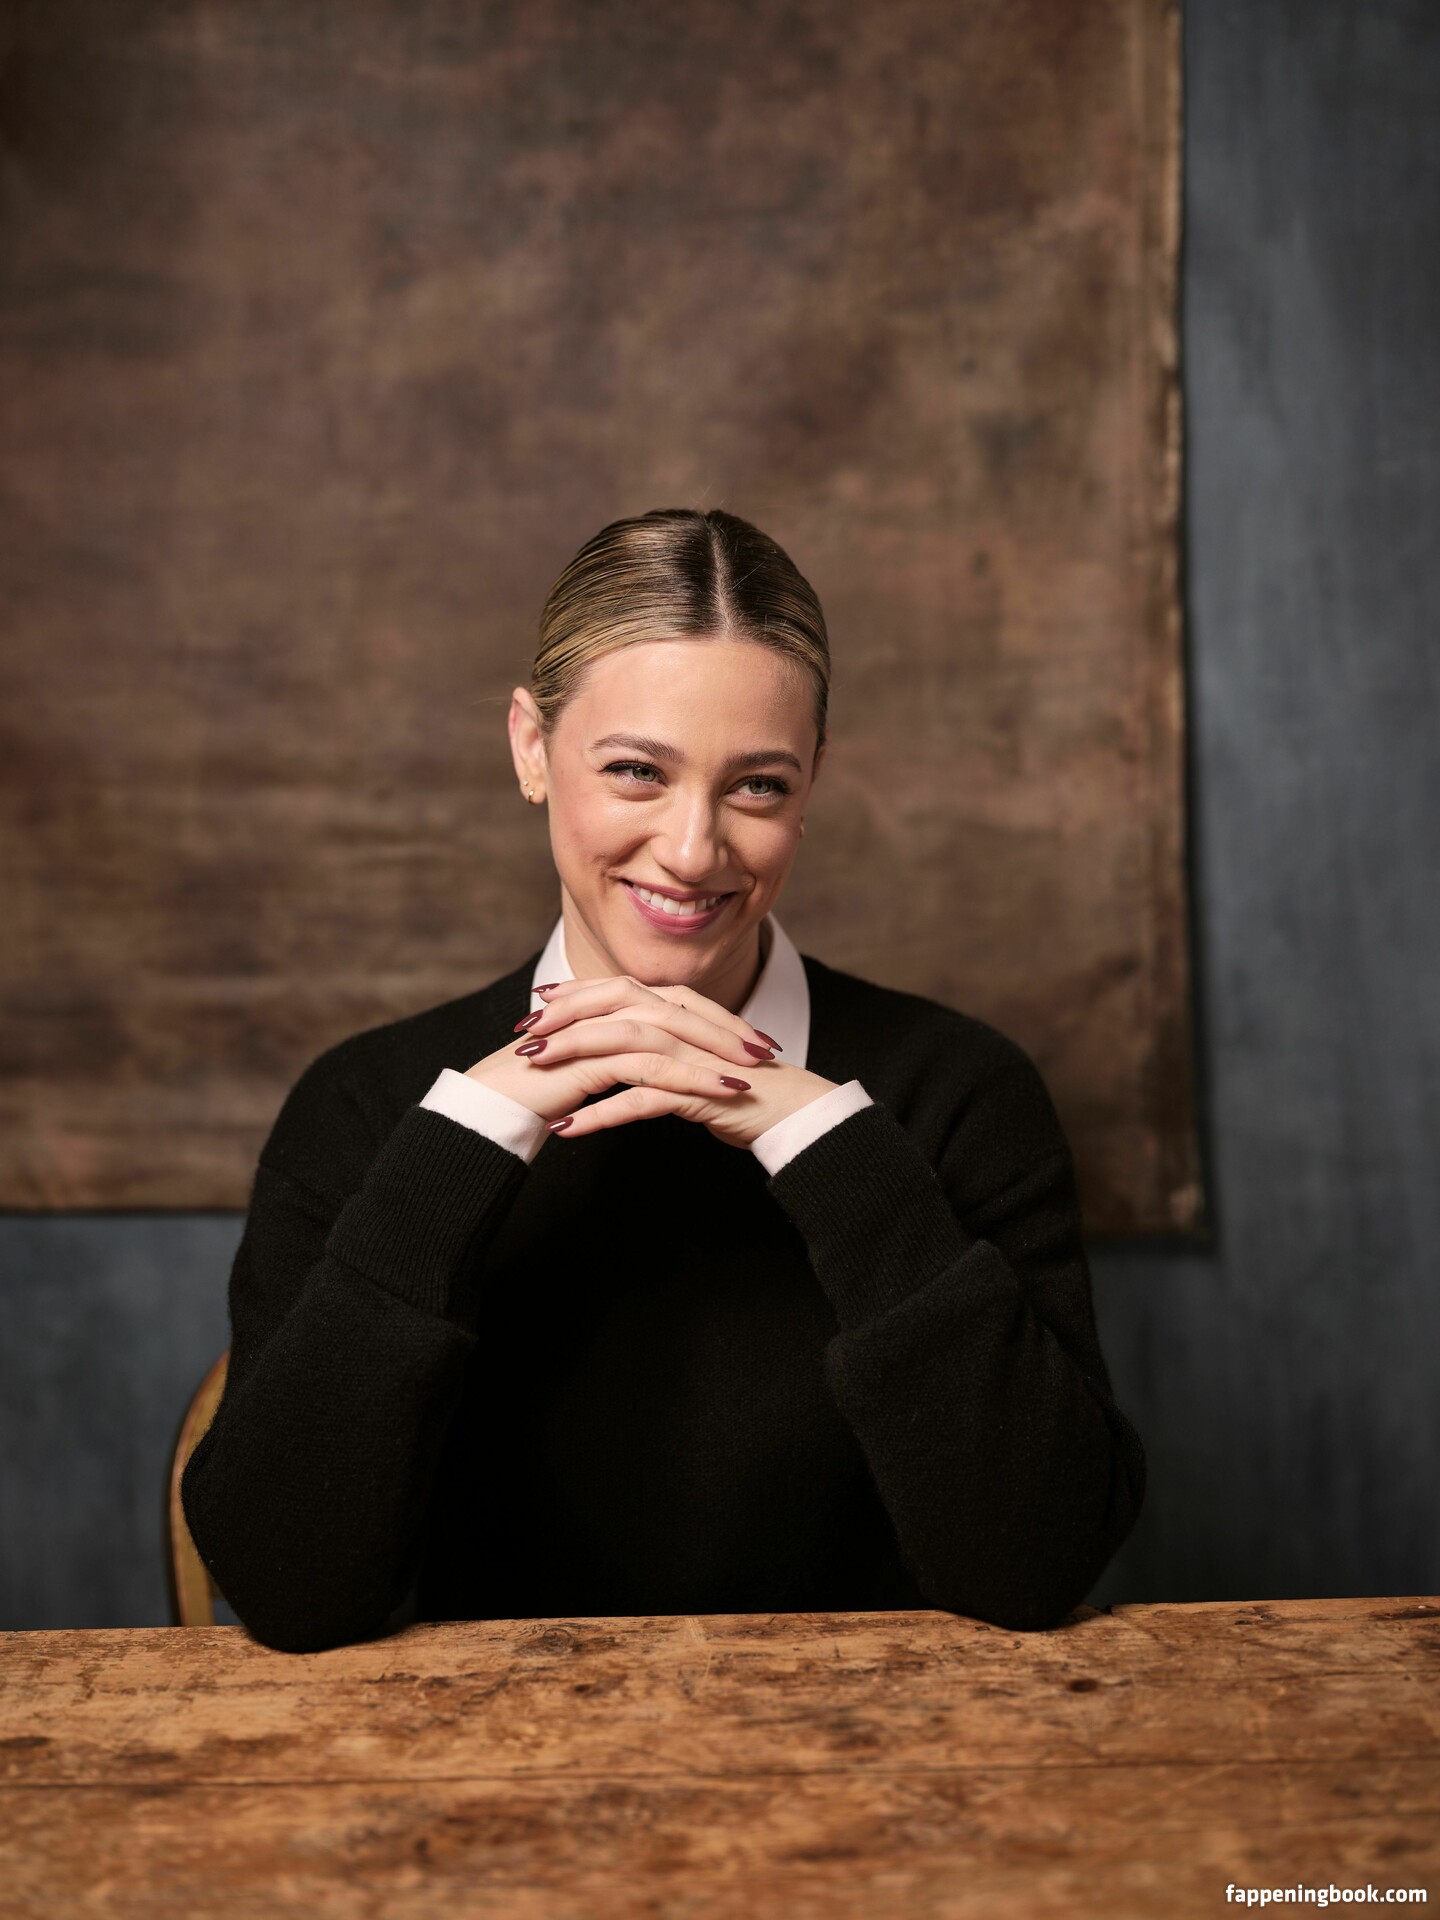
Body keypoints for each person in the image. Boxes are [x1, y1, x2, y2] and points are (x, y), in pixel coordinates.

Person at [182, 506, 1145, 1654]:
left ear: (813, 783)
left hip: (880, 1748)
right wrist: (469, 1133)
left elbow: (1034, 1565)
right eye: (637, 771)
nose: (693, 851)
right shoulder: (365, 1105)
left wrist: (827, 1144)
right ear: (531, 749)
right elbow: (287, 1587)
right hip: (475, 1754)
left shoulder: (960, 1092)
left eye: (759, 786)